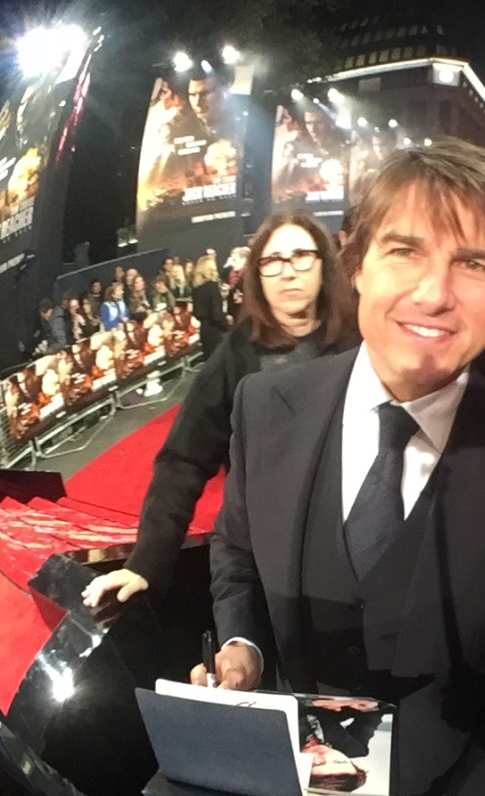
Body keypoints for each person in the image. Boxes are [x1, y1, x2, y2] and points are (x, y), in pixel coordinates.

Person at [182, 140, 485, 796]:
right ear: (355, 263)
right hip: (292, 790)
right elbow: (237, 549)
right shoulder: (264, 405)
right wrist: (243, 648)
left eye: (472, 263)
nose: (434, 292)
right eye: (406, 251)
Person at [81, 211, 359, 609]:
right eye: (273, 261)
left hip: (353, 542)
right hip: (272, 556)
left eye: (301, 256)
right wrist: (146, 562)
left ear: (322, 263)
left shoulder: (359, 339)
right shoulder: (237, 354)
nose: (288, 271)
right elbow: (183, 460)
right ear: (258, 274)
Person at [191, 251, 228, 358]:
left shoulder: (196, 288)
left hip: (204, 331)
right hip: (216, 332)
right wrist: (226, 326)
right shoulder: (212, 287)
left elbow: (197, 312)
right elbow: (217, 314)